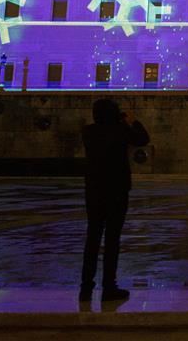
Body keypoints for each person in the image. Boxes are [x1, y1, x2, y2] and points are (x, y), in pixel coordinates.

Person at [79, 99, 149, 302]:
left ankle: (86, 287)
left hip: (93, 191)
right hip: (117, 191)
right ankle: (109, 286)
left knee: (92, 238)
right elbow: (142, 139)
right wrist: (131, 121)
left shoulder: (88, 132)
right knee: (112, 240)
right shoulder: (119, 130)